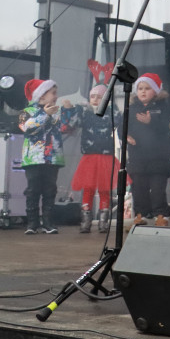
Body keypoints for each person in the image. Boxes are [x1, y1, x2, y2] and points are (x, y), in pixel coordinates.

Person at [20, 79, 77, 234]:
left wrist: (69, 111)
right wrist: (45, 114)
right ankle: (32, 223)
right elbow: (27, 127)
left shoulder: (57, 111)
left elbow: (67, 127)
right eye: (53, 93)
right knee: (33, 190)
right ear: (41, 95)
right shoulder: (27, 111)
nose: (55, 96)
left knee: (50, 190)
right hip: (33, 158)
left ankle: (48, 223)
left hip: (52, 158)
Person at [123, 73, 170, 228]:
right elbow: (121, 126)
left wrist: (152, 122)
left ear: (156, 91)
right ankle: (140, 215)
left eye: (147, 88)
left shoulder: (164, 107)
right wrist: (126, 136)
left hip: (158, 157)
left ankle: (161, 215)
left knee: (158, 189)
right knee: (139, 189)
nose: (143, 92)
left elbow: (169, 127)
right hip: (138, 157)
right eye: (140, 88)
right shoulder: (131, 108)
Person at [71, 82, 119, 233]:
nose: (95, 100)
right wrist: (78, 109)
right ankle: (86, 221)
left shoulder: (109, 113)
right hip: (89, 156)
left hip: (105, 156)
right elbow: (75, 123)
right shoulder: (85, 113)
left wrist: (112, 107)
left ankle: (103, 221)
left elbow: (117, 120)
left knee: (105, 188)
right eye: (92, 96)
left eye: (99, 97)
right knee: (88, 187)